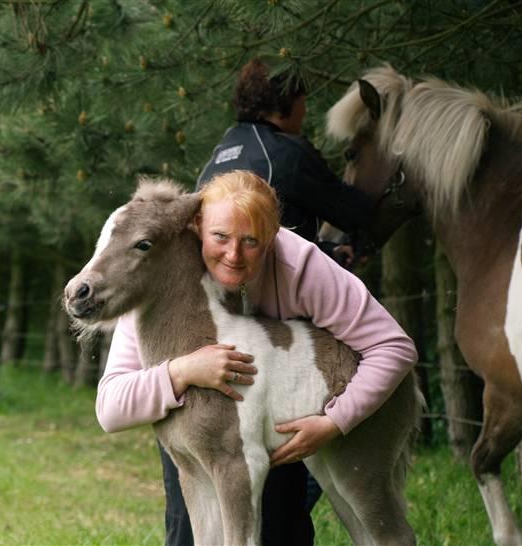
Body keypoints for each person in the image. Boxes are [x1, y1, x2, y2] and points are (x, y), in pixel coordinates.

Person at [95, 171, 417, 546]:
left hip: (299, 403)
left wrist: (335, 421)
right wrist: (182, 370)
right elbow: (111, 408)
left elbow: (395, 347)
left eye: (251, 241)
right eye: (220, 237)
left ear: (272, 237)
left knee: (347, 507)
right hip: (204, 419)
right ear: (197, 225)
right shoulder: (162, 274)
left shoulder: (301, 265)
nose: (233, 254)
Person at [196, 58, 376, 267]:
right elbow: (354, 213)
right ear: (288, 100)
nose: (304, 112)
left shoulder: (221, 151)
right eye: (303, 101)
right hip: (272, 290)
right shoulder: (288, 153)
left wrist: (327, 251)